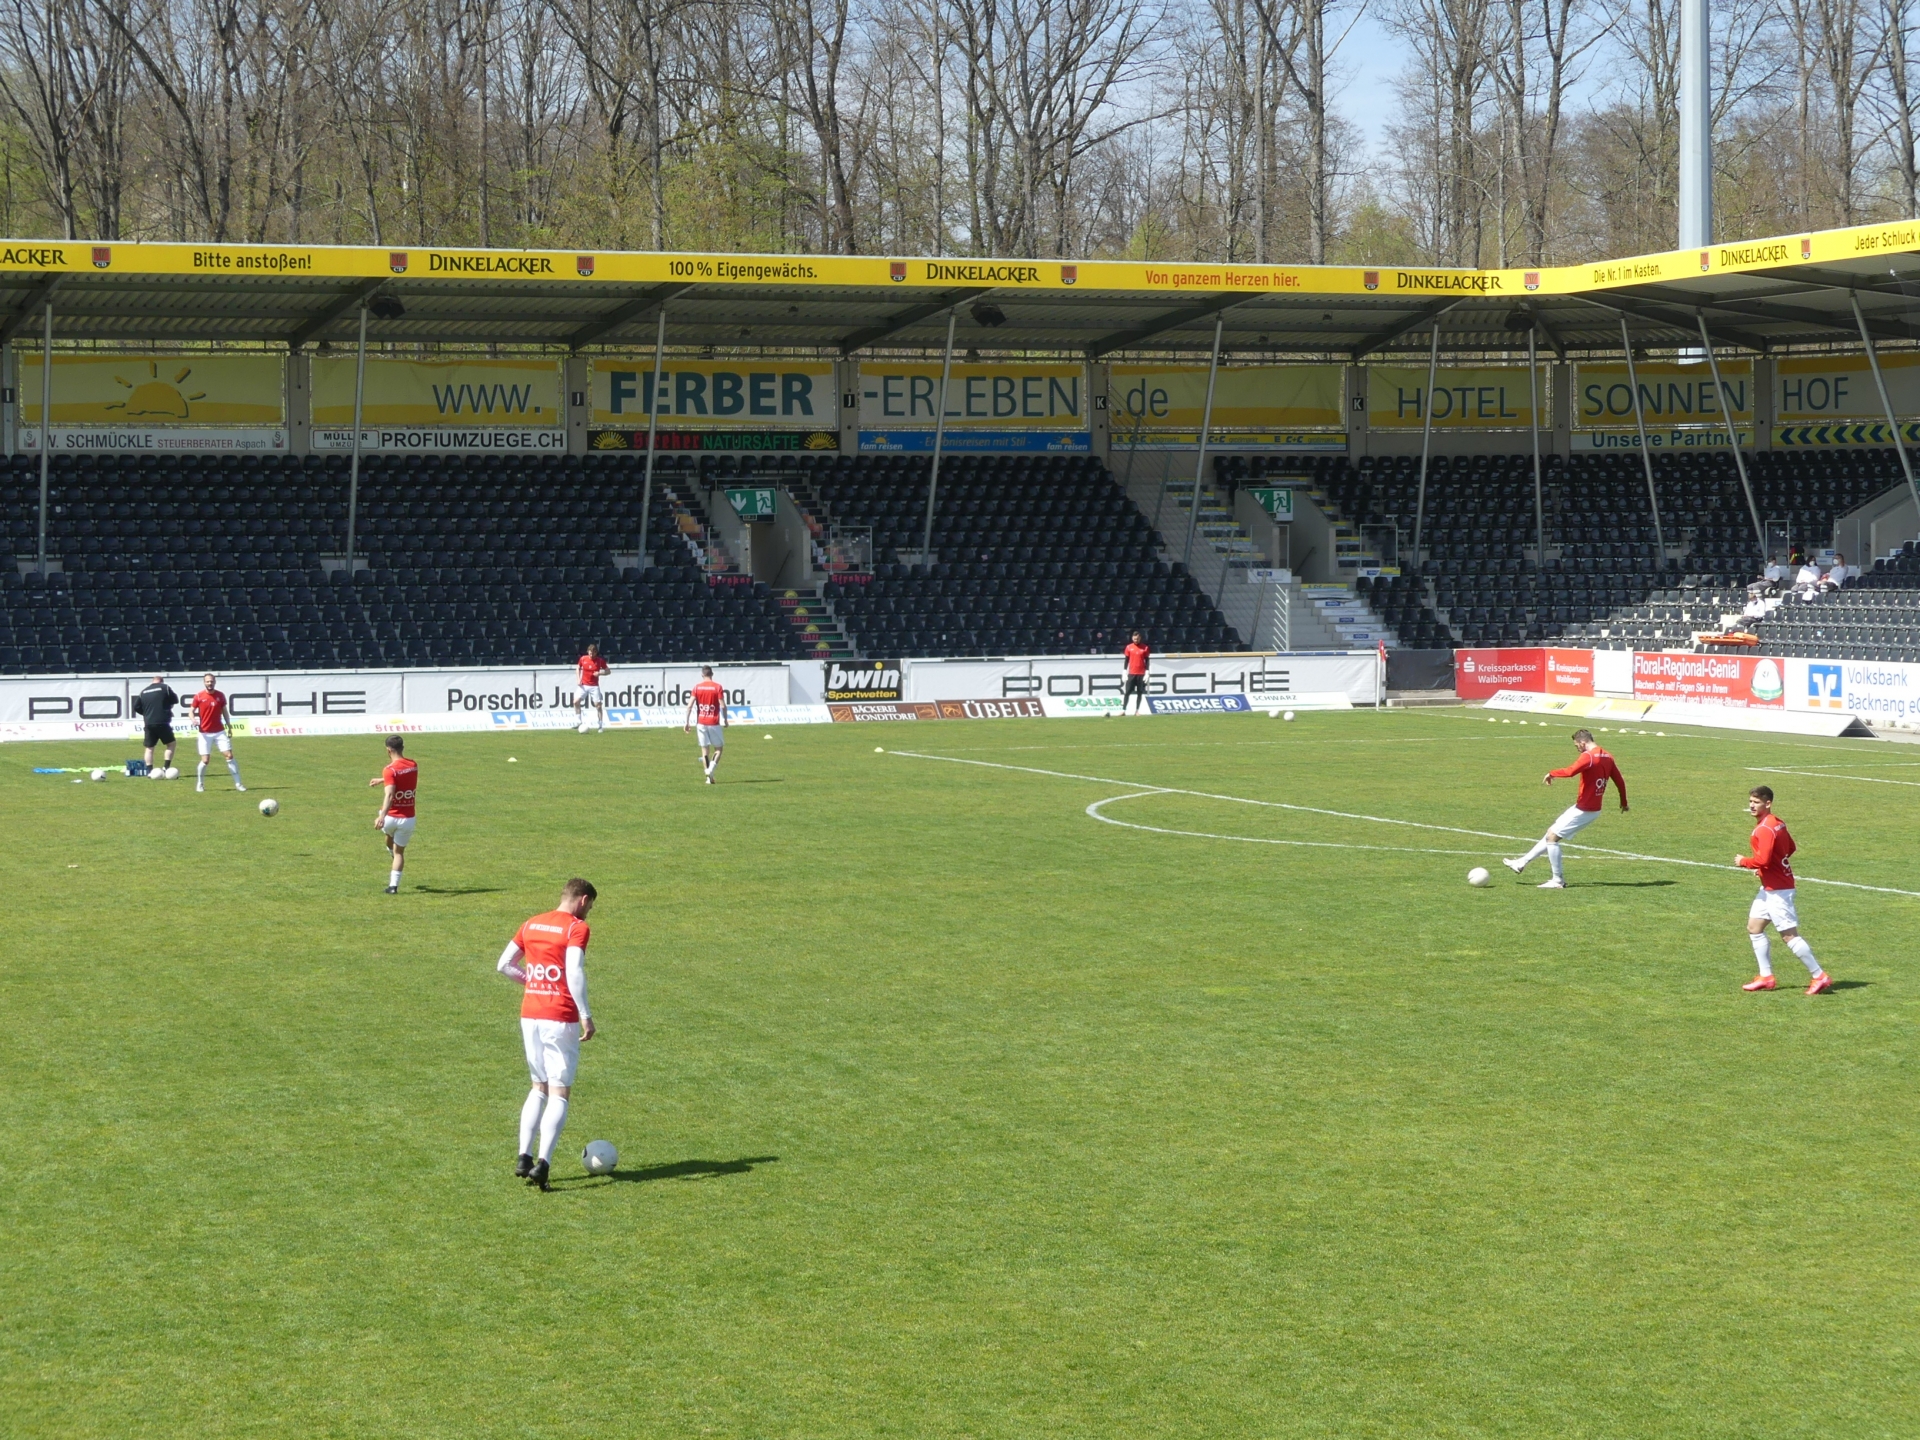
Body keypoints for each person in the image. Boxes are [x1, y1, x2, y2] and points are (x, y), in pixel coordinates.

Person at [496, 878, 598, 1190]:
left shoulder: (531, 923)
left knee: (537, 1087)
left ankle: (523, 1157)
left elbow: (504, 965)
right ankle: (543, 1164)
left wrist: (533, 982)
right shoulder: (576, 928)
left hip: (530, 1015)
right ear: (582, 900)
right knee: (559, 1093)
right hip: (560, 1016)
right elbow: (574, 971)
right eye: (590, 907)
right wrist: (585, 1014)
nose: (588, 913)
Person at [1737, 785, 1833, 995]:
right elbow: (1790, 848)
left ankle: (1819, 976)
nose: (1752, 806)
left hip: (1778, 891)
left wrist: (1744, 861)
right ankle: (1766, 977)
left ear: (1768, 803)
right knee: (1754, 927)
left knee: (1789, 936)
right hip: (1770, 887)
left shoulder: (1764, 828)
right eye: (1750, 801)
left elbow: (1762, 859)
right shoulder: (1777, 823)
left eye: (1756, 802)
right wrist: (1768, 869)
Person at [1503, 728, 1627, 889]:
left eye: (1577, 745)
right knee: (1550, 832)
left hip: (1585, 810)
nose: (1577, 749)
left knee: (1552, 838)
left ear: (1583, 742)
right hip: (1588, 808)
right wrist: (1624, 802)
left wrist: (1552, 773)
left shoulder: (1588, 756)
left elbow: (1570, 771)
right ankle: (1521, 862)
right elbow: (1619, 780)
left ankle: (1557, 880)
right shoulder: (1608, 756)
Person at [368, 735, 418, 894]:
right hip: (408, 818)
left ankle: (393, 855)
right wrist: (381, 779)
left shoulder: (389, 770)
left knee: (391, 842)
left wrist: (381, 816)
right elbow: (401, 776)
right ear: (403, 747)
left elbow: (390, 795)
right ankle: (393, 887)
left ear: (388, 750)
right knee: (399, 852)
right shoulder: (413, 765)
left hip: (390, 817)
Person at [190, 673, 245, 794]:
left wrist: (229, 726)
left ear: (215, 682)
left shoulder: (220, 695)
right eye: (207, 681)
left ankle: (238, 784)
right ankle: (200, 783)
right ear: (204, 682)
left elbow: (225, 711)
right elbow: (191, 711)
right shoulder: (199, 696)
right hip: (204, 733)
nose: (210, 683)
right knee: (205, 760)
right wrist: (193, 719)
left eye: (211, 681)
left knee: (229, 756)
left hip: (219, 732)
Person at [685, 665, 727, 783]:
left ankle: (709, 778)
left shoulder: (697, 687)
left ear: (702, 675)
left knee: (705, 751)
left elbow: (689, 706)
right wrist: (725, 719)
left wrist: (687, 722)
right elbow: (723, 705)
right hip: (713, 722)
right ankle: (710, 770)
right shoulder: (717, 687)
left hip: (701, 722)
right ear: (712, 674)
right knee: (718, 749)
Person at [133, 674, 178, 777]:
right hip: (162, 722)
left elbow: (136, 707)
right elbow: (175, 700)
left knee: (149, 748)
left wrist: (146, 713)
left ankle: (150, 771)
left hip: (149, 722)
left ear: (152, 681)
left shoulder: (143, 691)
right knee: (171, 744)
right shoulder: (165, 687)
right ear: (162, 681)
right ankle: (166, 768)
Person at [574, 643, 610, 733]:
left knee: (598, 705)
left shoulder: (600, 661)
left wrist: (600, 673)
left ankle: (600, 725)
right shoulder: (583, 659)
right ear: (588, 652)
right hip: (583, 685)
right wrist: (578, 679)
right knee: (576, 701)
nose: (591, 654)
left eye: (593, 653)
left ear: (596, 652)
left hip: (594, 686)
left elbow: (608, 671)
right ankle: (578, 721)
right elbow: (578, 668)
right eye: (590, 652)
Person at [1121, 632, 1151, 715]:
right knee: (1127, 692)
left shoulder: (1145, 647)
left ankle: (1137, 710)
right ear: (1132, 638)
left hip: (1141, 674)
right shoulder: (1129, 647)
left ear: (1140, 638)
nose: (1136, 640)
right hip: (1132, 673)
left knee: (1139, 692)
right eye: (1134, 639)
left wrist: (1147, 671)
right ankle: (1123, 710)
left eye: (1137, 639)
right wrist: (1124, 671)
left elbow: (1147, 660)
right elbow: (1126, 659)